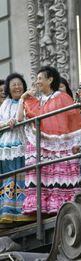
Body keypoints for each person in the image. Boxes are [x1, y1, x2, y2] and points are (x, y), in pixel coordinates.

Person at [18, 66, 81, 215]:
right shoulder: (39, 102)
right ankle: (46, 207)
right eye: (36, 79)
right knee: (45, 174)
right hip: (45, 146)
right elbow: (22, 118)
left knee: (60, 175)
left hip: (62, 144)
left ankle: (63, 206)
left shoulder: (63, 97)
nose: (37, 82)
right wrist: (22, 99)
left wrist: (77, 142)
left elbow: (74, 119)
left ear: (50, 80)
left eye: (40, 78)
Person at [0, 73, 31, 223]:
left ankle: (23, 209)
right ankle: (8, 210)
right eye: (13, 85)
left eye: (19, 84)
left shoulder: (29, 101)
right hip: (7, 146)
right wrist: (7, 123)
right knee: (9, 176)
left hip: (24, 141)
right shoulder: (5, 104)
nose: (17, 87)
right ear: (8, 88)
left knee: (23, 174)